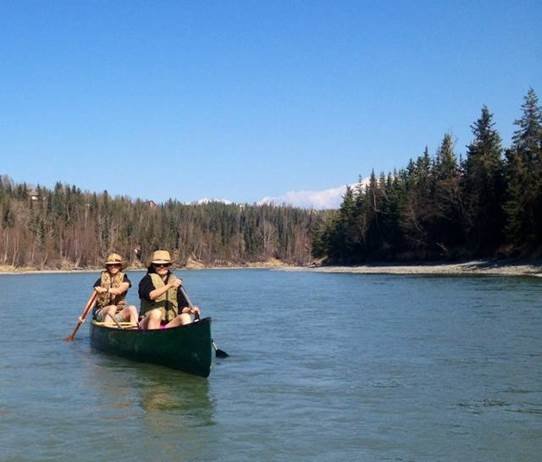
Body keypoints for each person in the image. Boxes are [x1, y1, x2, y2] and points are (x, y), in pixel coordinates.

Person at [138, 250, 200, 330]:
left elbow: (182, 307)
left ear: (169, 265)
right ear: (153, 266)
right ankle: (153, 340)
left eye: (165, 264)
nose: (162, 267)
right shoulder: (146, 280)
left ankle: (188, 339)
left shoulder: (175, 281)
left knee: (185, 317)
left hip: (168, 325)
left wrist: (190, 310)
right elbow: (150, 295)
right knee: (156, 313)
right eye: (158, 265)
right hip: (146, 324)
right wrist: (170, 285)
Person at [92, 253, 138, 326]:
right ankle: (107, 330)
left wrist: (105, 289)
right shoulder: (101, 280)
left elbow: (119, 291)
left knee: (132, 308)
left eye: (116, 265)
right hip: (101, 312)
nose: (113, 267)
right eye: (110, 265)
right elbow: (92, 300)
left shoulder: (125, 279)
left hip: (117, 313)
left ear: (120, 266)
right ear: (107, 266)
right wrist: (82, 317)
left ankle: (134, 332)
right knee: (112, 308)